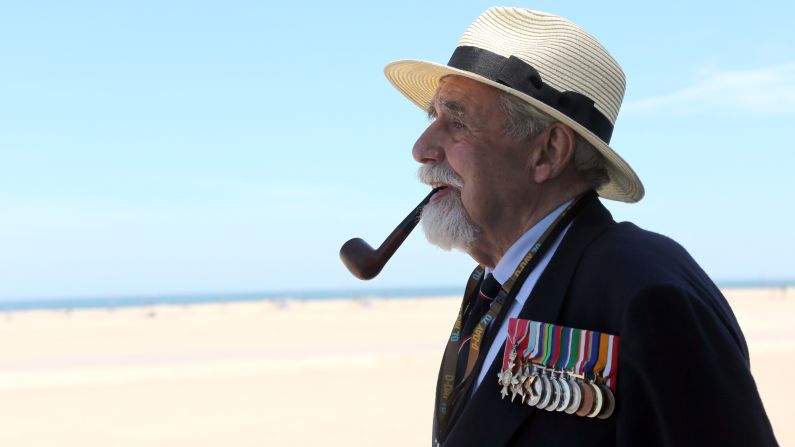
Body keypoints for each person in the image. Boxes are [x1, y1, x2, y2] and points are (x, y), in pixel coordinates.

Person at [382, 7, 778, 447]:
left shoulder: (647, 290)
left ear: (548, 152)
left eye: (456, 122)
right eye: (430, 119)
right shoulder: (494, 283)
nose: (422, 149)